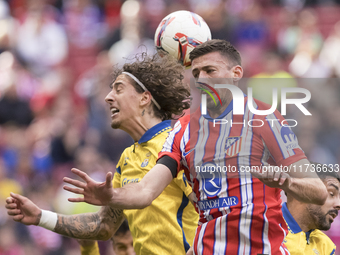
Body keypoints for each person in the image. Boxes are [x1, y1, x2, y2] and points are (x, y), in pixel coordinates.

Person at [60, 39, 328, 255]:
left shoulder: (266, 119)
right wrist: (111, 197)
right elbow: (145, 191)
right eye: (196, 73)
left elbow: (317, 192)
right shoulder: (183, 130)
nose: (201, 79)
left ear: (236, 74)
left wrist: (285, 182)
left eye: (210, 71)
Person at [5, 53, 198, 255]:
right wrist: (40, 217)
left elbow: (211, 208)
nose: (108, 97)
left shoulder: (179, 142)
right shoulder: (127, 158)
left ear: (144, 98)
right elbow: (103, 225)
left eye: (119, 89)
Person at [282, 164, 340, 255]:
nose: (338, 204)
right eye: (331, 194)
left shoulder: (326, 246)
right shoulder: (264, 227)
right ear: (301, 191)